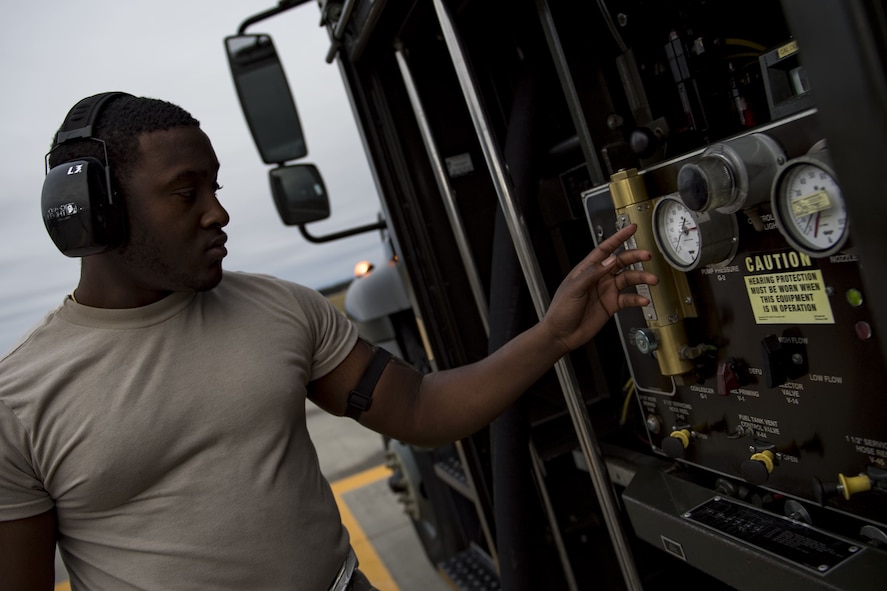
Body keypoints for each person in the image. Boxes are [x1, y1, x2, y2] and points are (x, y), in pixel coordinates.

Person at [0, 93, 658, 591]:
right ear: (94, 212)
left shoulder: (276, 306)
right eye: (185, 191)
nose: (218, 211)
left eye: (216, 186)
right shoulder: (20, 399)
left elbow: (423, 408)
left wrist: (554, 333)